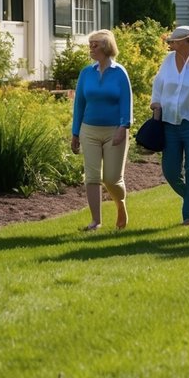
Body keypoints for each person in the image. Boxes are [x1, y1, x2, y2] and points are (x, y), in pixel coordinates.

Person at [150, 24, 189, 227]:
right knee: (170, 171)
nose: (172, 44)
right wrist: (156, 104)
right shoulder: (167, 61)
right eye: (172, 41)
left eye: (176, 41)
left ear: (188, 42)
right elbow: (158, 85)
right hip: (169, 124)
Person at [71, 29, 133, 231]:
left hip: (114, 130)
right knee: (92, 177)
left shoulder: (119, 72)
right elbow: (79, 104)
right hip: (89, 130)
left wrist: (123, 127)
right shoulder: (86, 73)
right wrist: (75, 133)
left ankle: (120, 204)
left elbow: (126, 102)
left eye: (95, 44)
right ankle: (95, 221)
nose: (91, 48)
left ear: (106, 47)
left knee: (112, 178)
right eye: (90, 44)